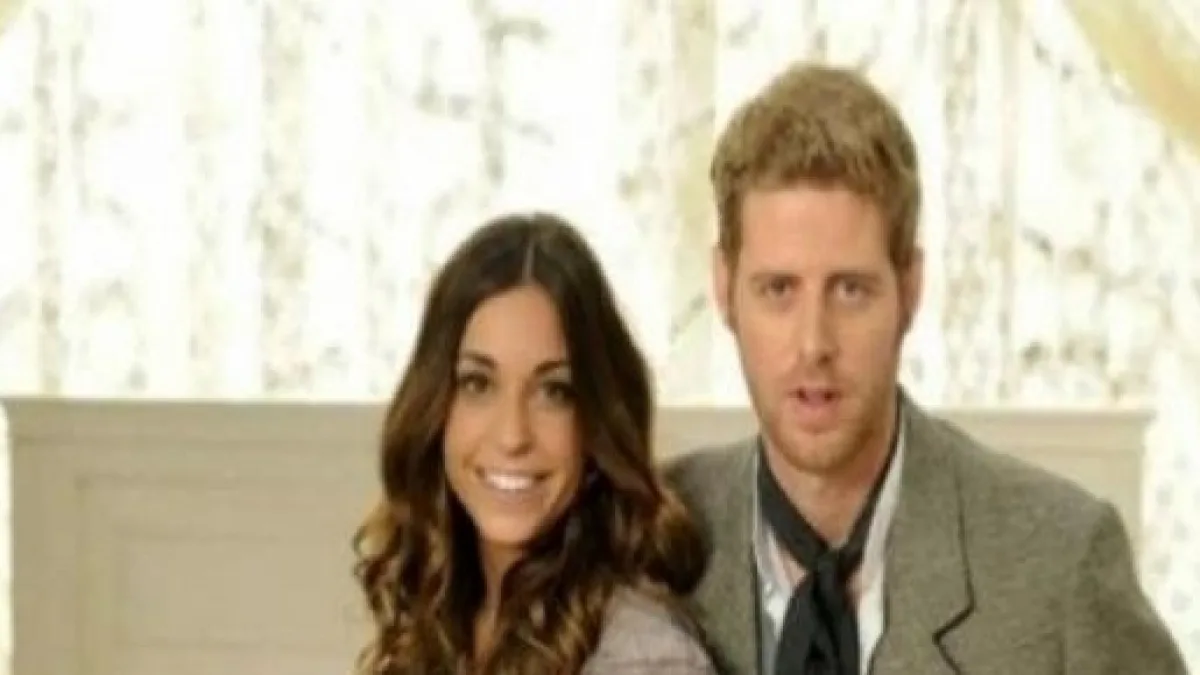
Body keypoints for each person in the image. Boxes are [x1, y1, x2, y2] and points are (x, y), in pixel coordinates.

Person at [665, 62, 1188, 674]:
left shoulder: (1063, 566)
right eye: (778, 289)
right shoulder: (651, 541)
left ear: (910, 289)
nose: (813, 344)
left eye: (851, 290)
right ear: (724, 289)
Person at [352, 212, 716, 674]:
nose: (513, 436)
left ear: (596, 422)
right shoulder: (442, 623)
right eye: (478, 384)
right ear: (435, 407)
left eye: (554, 392)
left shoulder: (646, 658)